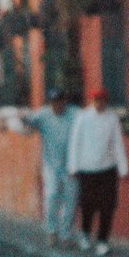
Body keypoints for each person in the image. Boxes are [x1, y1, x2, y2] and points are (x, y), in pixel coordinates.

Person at [68, 87, 129, 254]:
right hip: (87, 168)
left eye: (102, 100)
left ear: (106, 101)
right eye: (96, 100)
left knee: (107, 205)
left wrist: (123, 168)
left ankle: (103, 240)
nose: (99, 104)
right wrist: (73, 166)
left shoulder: (112, 119)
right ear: (92, 101)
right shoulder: (83, 117)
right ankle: (85, 234)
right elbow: (75, 142)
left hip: (107, 168)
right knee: (88, 205)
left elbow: (117, 144)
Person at [32, 90, 79, 246]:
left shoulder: (75, 114)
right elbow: (28, 122)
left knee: (70, 200)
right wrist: (21, 118)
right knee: (51, 196)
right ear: (50, 103)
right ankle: (51, 231)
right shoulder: (42, 115)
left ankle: (66, 234)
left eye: (59, 102)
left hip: (71, 164)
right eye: (54, 102)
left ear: (65, 101)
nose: (57, 105)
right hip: (51, 165)